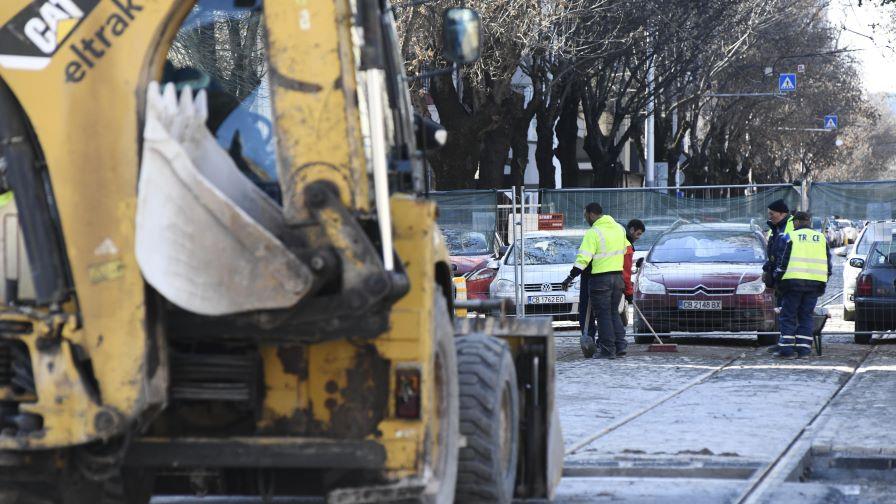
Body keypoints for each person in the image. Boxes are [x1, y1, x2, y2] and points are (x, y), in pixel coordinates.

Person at [562, 203, 628, 359]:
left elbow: (583, 259)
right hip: (618, 277)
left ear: (591, 214)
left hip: (600, 279)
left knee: (603, 315)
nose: (586, 219)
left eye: (585, 216)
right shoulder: (619, 229)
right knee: (613, 313)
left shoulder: (594, 232)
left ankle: (607, 349)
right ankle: (620, 346)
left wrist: (570, 277)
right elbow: (625, 250)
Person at [772, 211, 831, 358]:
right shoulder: (821, 238)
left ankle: (786, 350)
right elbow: (828, 265)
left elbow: (782, 261)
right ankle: (804, 350)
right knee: (806, 315)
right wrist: (823, 281)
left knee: (788, 316)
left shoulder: (790, 236)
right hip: (815, 284)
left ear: (796, 222)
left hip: (792, 283)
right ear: (809, 222)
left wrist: (777, 280)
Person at [577, 218, 645, 344]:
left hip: (598, 277)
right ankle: (616, 344)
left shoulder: (606, 235)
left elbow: (625, 270)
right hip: (607, 279)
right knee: (608, 313)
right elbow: (625, 272)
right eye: (638, 234)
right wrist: (629, 292)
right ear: (631, 230)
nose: (639, 237)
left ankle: (606, 344)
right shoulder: (625, 244)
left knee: (603, 314)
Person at [762, 199, 794, 290]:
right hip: (779, 275)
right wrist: (768, 268)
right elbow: (773, 253)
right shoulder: (776, 227)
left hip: (788, 276)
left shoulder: (791, 226)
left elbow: (785, 253)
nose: (769, 217)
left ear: (782, 214)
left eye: (772, 214)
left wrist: (779, 273)